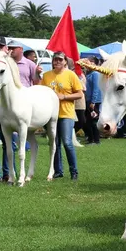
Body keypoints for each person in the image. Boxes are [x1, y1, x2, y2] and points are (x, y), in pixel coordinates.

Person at [40, 52, 82, 180]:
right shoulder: (46, 76)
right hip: (50, 115)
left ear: (65, 62)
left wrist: (64, 97)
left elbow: (80, 94)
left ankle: (74, 171)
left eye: (60, 59)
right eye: (55, 59)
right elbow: (41, 92)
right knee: (54, 143)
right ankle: (58, 171)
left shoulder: (70, 75)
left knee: (67, 142)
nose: (57, 62)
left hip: (66, 113)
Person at [8, 40, 41, 152]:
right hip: (10, 98)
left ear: (20, 49)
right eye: (9, 48)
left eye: (13, 48)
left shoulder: (29, 64)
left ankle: (26, 145)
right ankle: (14, 145)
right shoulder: (7, 62)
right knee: (9, 123)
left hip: (25, 98)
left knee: (23, 124)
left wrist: (37, 73)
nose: (10, 50)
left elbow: (36, 82)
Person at [0, 36, 16, 182]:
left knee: (10, 143)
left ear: (6, 49)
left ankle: (9, 172)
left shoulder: (11, 65)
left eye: (1, 47)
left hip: (9, 111)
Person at [84, 56, 102, 145]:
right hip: (88, 99)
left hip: (94, 101)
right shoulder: (88, 74)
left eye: (89, 62)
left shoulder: (95, 74)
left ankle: (96, 140)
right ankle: (91, 139)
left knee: (93, 120)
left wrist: (93, 102)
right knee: (88, 121)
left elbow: (96, 88)